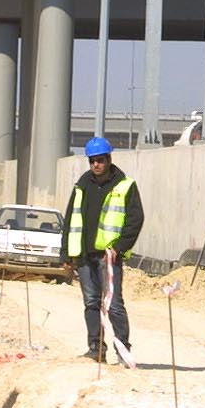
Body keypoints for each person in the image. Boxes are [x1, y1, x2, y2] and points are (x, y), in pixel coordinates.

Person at [61, 135, 145, 363]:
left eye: (99, 160)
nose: (95, 165)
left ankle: (123, 350)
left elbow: (135, 220)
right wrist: (66, 254)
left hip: (109, 257)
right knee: (91, 302)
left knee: (114, 304)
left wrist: (120, 247)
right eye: (92, 161)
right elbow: (70, 220)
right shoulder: (82, 185)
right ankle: (96, 348)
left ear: (108, 159)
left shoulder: (125, 186)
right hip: (85, 256)